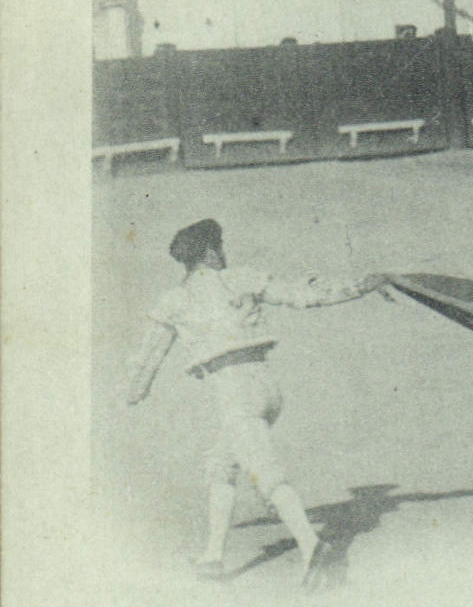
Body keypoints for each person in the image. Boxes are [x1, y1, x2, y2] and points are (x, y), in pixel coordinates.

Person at [126, 219, 386, 586]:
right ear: (212, 253)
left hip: (232, 391)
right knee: (221, 463)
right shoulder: (240, 279)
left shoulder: (174, 300)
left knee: (264, 471)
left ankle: (314, 549)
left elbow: (149, 355)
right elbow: (302, 294)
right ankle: (213, 558)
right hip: (266, 385)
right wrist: (357, 287)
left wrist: (134, 392)